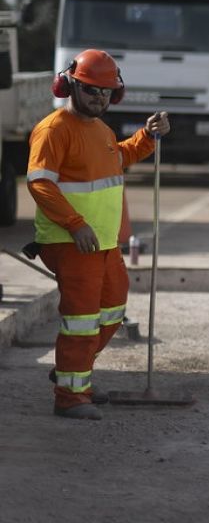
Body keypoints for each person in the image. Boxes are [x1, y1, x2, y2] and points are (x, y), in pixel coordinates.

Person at [27, 49, 171, 420]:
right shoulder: (53, 130)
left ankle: (74, 374)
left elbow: (116, 159)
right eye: (92, 90)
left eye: (106, 92)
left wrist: (146, 137)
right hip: (72, 243)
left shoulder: (101, 130)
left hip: (104, 243)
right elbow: (40, 184)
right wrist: (76, 225)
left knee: (111, 313)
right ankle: (71, 397)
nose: (99, 98)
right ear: (70, 85)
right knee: (82, 319)